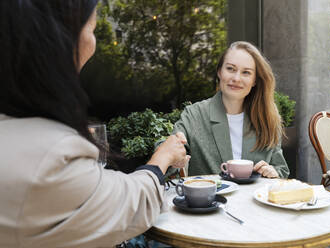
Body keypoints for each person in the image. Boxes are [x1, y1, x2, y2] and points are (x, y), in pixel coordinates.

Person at [0, 1, 189, 247]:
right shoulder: (50, 155)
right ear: (56, 41)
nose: (94, 45)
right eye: (93, 29)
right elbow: (128, 207)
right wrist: (161, 158)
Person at [171, 41, 289, 178]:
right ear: (220, 72)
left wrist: (273, 172)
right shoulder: (194, 114)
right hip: (211, 198)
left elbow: (281, 169)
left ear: (254, 81)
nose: (236, 78)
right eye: (230, 69)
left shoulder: (267, 116)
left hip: (255, 198)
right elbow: (168, 150)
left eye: (246, 72)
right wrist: (174, 158)